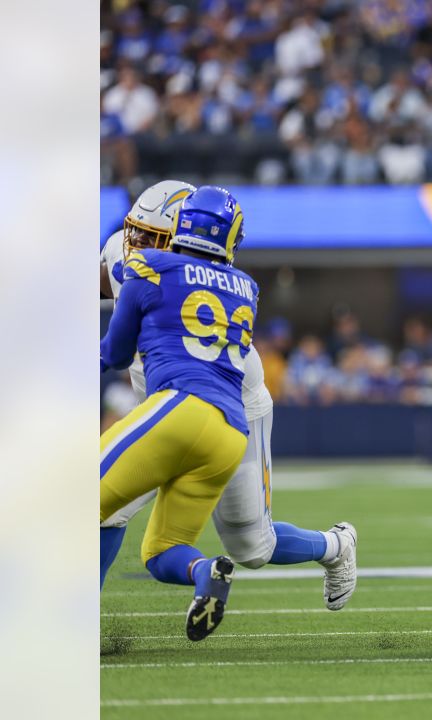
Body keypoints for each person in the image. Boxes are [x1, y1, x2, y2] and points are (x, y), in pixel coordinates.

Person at [98, 182, 358, 614]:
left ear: (183, 232)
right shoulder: (154, 263)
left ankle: (336, 545)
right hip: (166, 411)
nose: (137, 245)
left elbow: (116, 350)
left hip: (227, 405)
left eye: (150, 238)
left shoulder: (157, 273)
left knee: (252, 545)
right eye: (135, 234)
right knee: (109, 512)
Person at [99, 186, 255, 641]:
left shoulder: (149, 267)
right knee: (163, 551)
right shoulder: (247, 287)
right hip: (230, 433)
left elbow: (115, 352)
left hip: (181, 407)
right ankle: (207, 570)